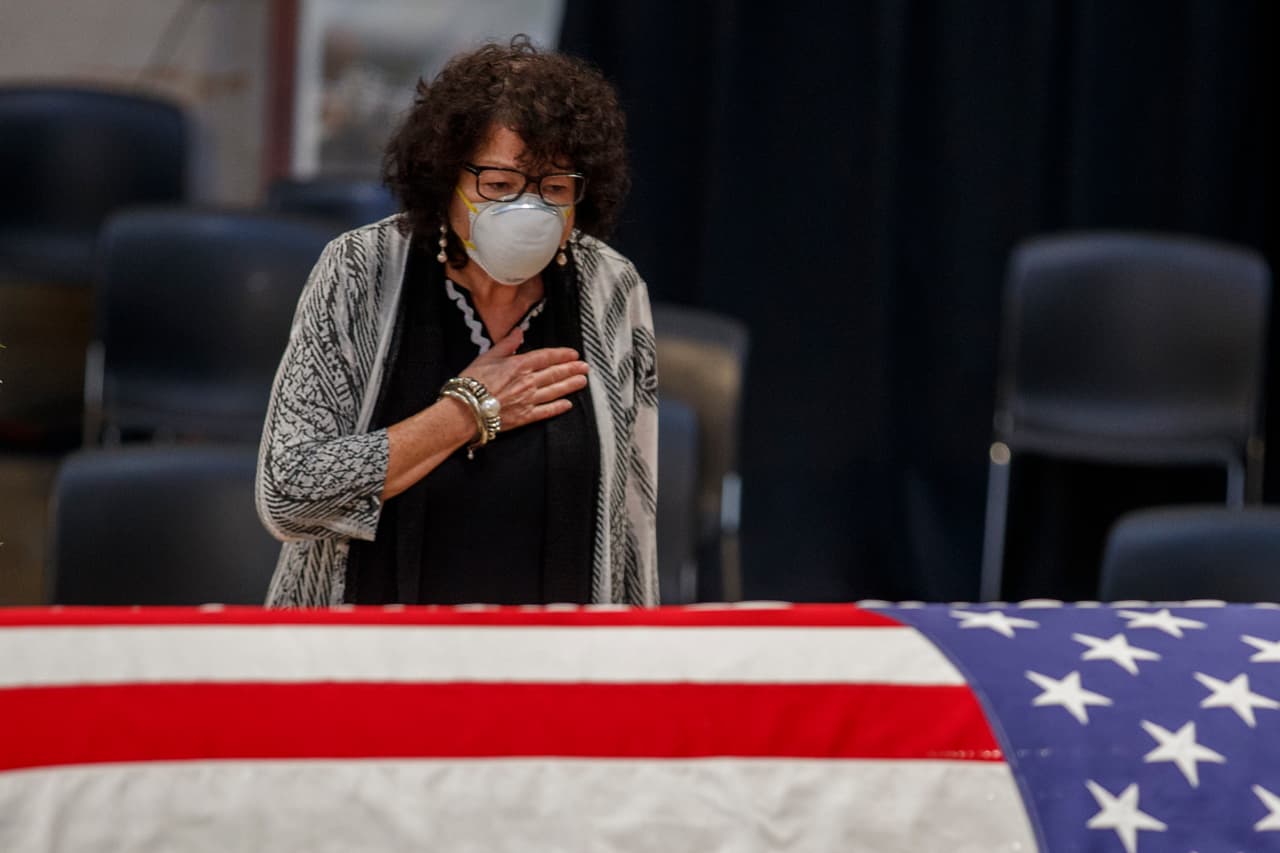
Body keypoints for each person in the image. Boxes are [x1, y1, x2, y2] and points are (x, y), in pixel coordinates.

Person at [255, 36, 658, 607]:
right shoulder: (359, 269)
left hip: (551, 665)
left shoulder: (611, 288)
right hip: (369, 660)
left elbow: (632, 528)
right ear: (446, 179)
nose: (530, 211)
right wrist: (468, 411)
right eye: (498, 185)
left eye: (555, 189)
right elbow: (289, 492)